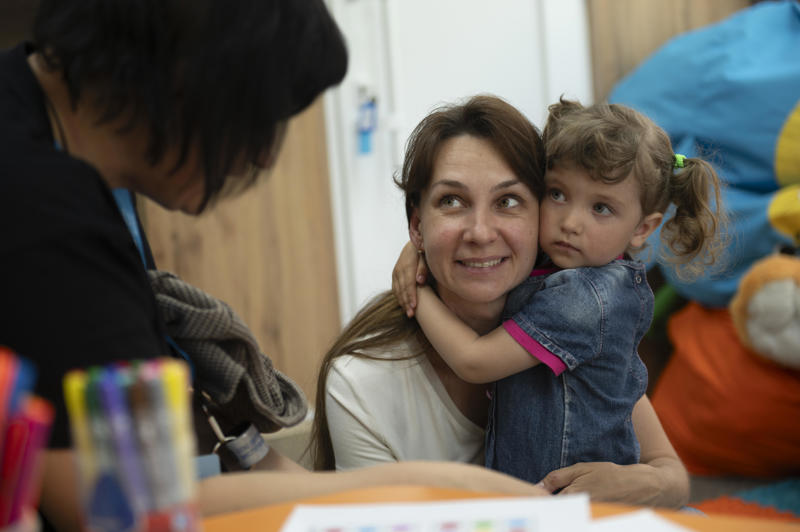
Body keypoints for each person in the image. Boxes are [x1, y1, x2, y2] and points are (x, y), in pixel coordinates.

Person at [0, 3, 548, 531]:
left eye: (509, 202)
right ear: (187, 81)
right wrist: (430, 488)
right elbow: (125, 508)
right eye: (258, 119)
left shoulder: (45, 136)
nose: (261, 157)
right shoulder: (45, 209)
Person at [311, 95, 691, 508]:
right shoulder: (361, 382)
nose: (480, 232)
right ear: (417, 225)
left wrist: (634, 484)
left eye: (508, 201)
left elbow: (671, 477)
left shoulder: (575, 309)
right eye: (451, 201)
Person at [395, 97, 726, 486]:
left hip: (574, 505)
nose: (570, 222)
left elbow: (474, 362)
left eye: (601, 208)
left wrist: (416, 293)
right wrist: (416, 248)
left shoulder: (587, 298)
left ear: (642, 228)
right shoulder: (564, 259)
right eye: (557, 194)